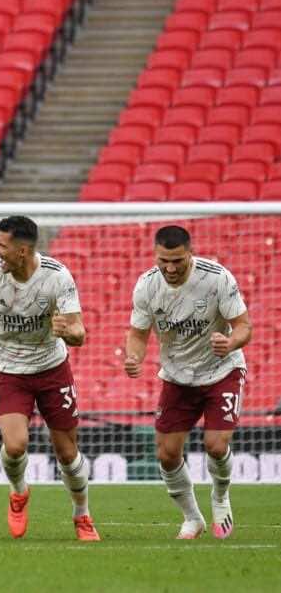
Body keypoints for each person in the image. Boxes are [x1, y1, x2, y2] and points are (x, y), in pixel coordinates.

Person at [0, 216, 100, 541]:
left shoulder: (57, 276)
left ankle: (81, 514)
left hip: (52, 369)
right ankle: (18, 492)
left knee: (67, 452)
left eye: (1, 245)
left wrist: (68, 332)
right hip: (10, 372)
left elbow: (80, 333)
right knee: (15, 446)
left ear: (22, 251)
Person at [125, 225, 251, 540]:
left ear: (190, 254)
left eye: (177, 261)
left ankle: (220, 497)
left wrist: (231, 343)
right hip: (178, 377)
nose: (170, 268)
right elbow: (138, 334)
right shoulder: (146, 285)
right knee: (167, 454)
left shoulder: (217, 278)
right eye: (163, 261)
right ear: (155, 255)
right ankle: (193, 518)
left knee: (216, 445)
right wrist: (134, 357)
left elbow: (243, 326)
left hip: (222, 370)